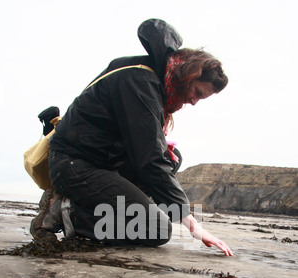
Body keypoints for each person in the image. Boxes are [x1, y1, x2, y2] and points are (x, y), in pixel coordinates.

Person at [30, 18, 233, 256]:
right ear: (188, 75)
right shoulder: (139, 82)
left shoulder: (154, 83)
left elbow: (148, 151)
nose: (193, 101)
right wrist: (193, 224)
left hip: (99, 161)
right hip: (74, 164)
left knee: (172, 158)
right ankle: (66, 210)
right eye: (197, 92)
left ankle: (82, 205)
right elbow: (150, 160)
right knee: (156, 229)